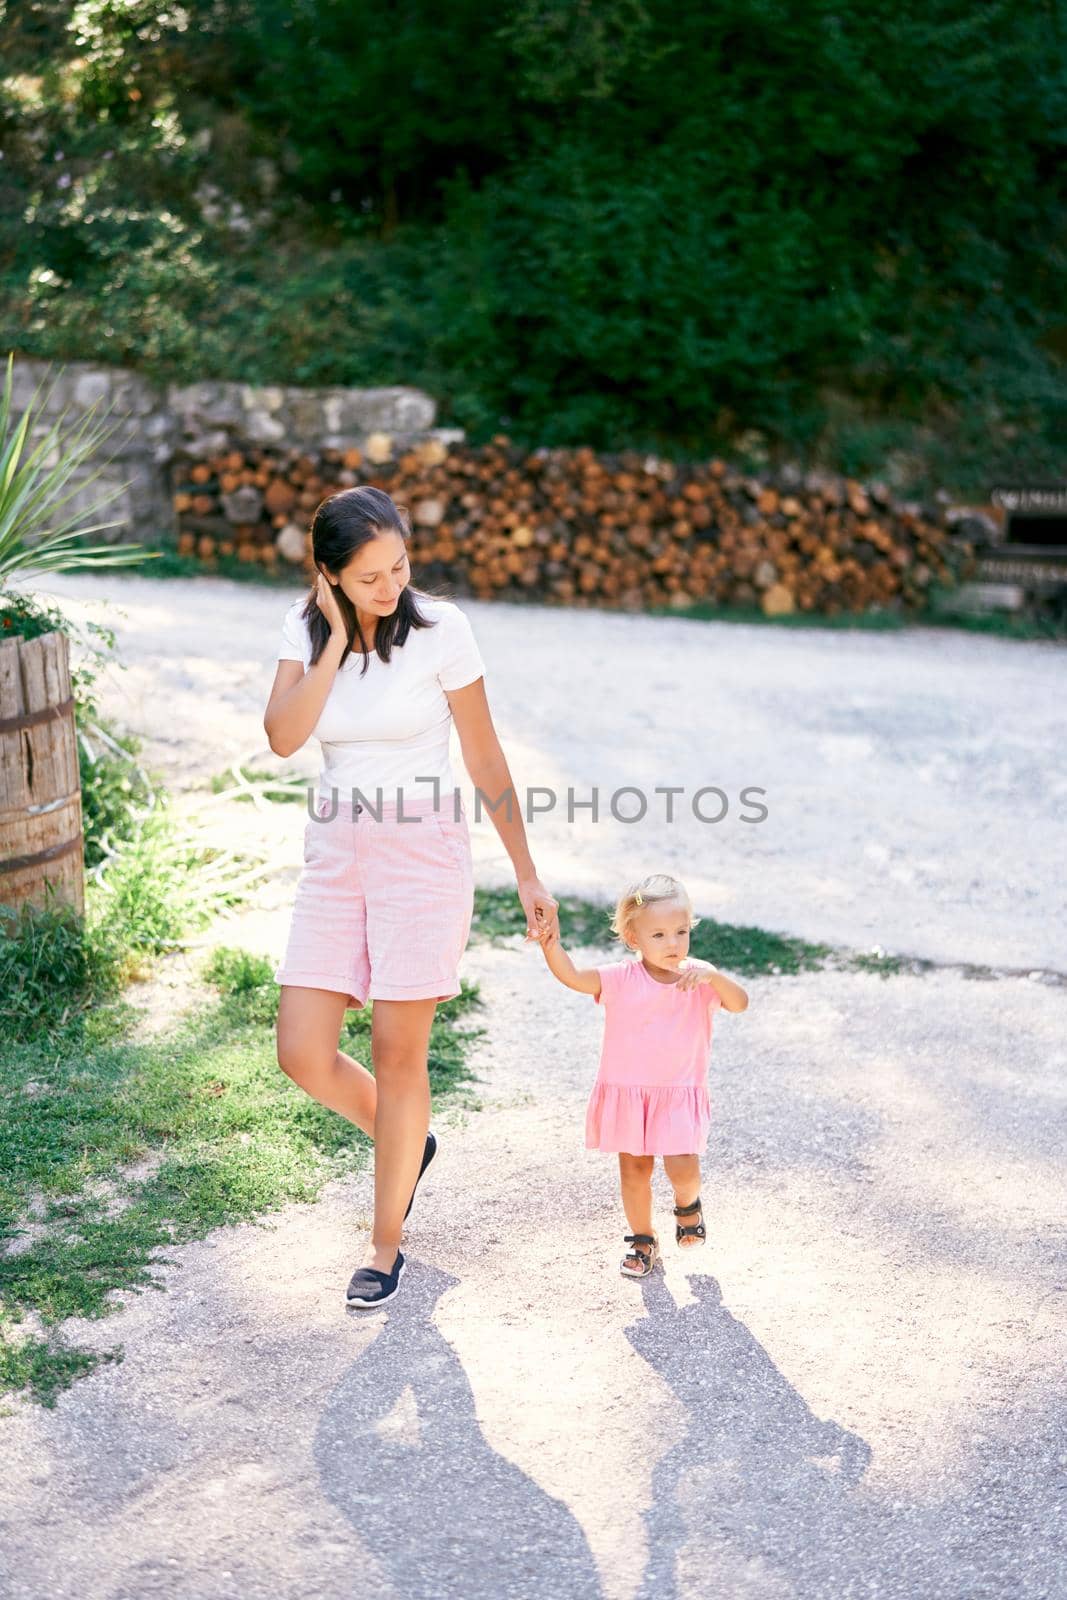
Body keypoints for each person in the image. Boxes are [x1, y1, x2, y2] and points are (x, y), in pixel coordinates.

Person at [263, 485, 559, 1309]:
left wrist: (527, 872)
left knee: (400, 1053)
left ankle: (385, 1243)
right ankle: (404, 1142)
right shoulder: (303, 630)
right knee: (301, 1051)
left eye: (398, 567)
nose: (389, 588)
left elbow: (486, 757)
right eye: (366, 578)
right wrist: (332, 642)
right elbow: (284, 736)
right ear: (326, 577)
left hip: (421, 851)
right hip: (336, 850)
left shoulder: (441, 630)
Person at [537, 872, 748, 1278]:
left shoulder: (698, 977)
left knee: (682, 1169)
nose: (673, 944)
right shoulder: (620, 978)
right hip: (629, 1095)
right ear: (634, 938)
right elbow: (574, 977)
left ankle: (688, 1205)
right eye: (659, 935)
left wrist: (716, 976)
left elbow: (739, 1003)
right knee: (634, 1171)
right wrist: (551, 945)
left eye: (681, 932)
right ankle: (642, 1239)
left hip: (677, 1093)